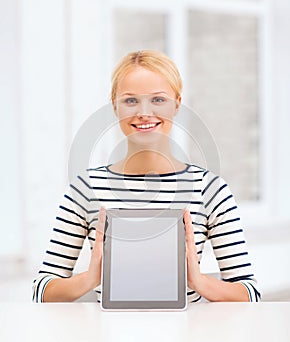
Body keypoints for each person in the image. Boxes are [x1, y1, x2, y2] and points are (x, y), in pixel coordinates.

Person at [32, 50, 261, 303]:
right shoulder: (85, 189)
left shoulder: (210, 189)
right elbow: (42, 290)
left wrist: (199, 281)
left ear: (177, 104)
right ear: (115, 106)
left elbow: (250, 294)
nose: (144, 112)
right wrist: (89, 278)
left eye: (158, 100)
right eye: (130, 101)